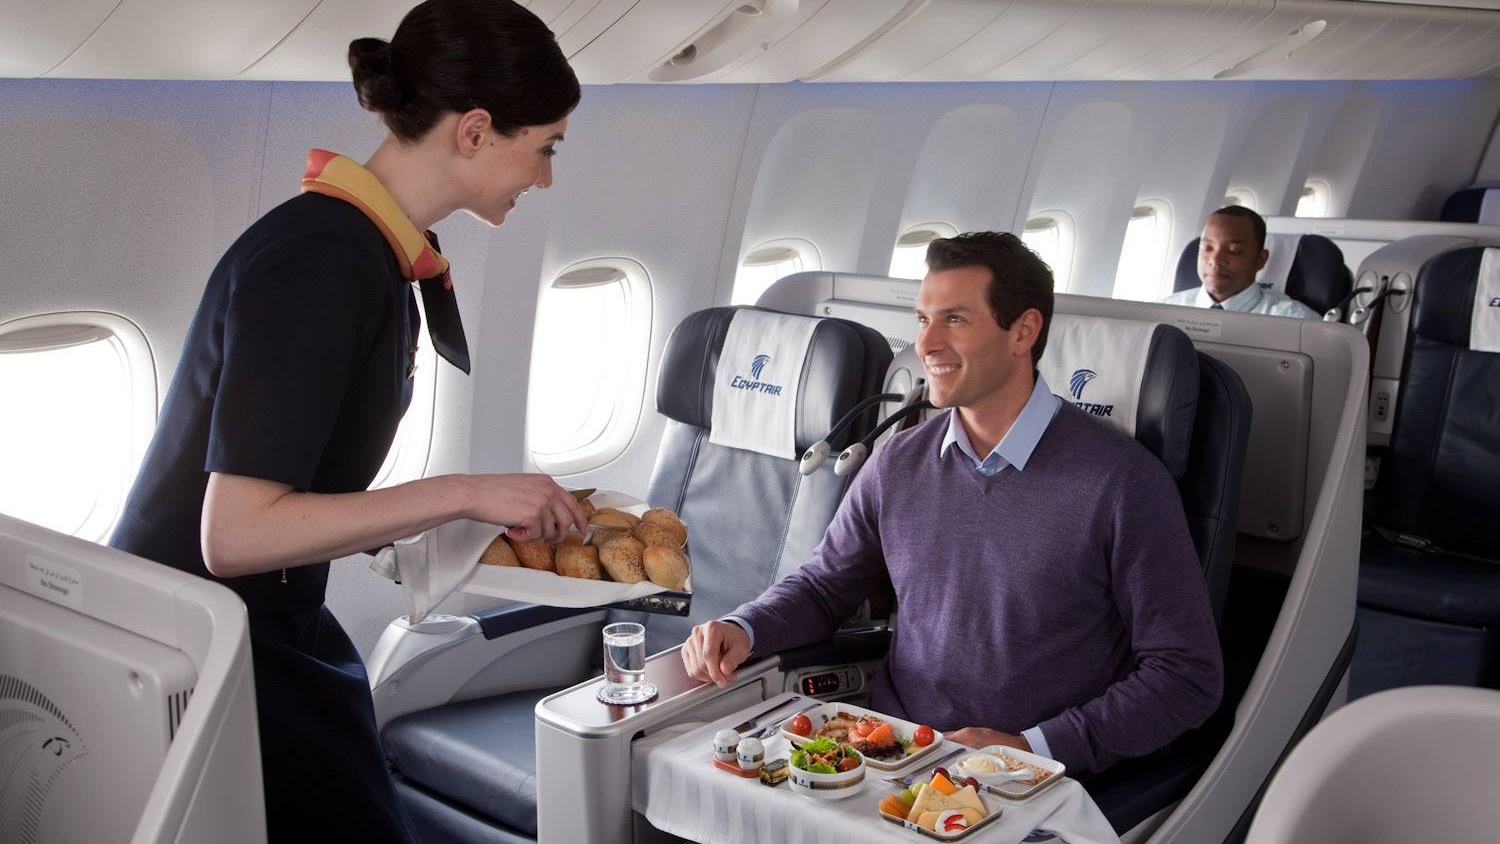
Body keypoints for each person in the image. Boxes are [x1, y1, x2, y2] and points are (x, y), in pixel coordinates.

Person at [108, 1, 583, 840]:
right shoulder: (322, 262)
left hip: (264, 622)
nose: (543, 177)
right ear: (474, 131)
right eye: (543, 147)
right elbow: (236, 535)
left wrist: (432, 529)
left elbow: (302, 476)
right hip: (199, 647)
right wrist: (463, 492)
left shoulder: (372, 252)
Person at [682, 232, 1223, 776]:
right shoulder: (899, 461)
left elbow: (1186, 675)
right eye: (923, 320)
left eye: (955, 320)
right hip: (893, 754)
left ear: (1024, 332)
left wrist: (1032, 748)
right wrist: (743, 627)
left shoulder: (1123, 483)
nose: (927, 345)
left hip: (1027, 780)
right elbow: (825, 587)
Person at [1161, 205, 1320, 318]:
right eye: (1208, 248)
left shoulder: (1295, 322)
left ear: (1260, 260)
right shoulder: (1163, 313)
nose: (1215, 260)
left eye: (1234, 251)